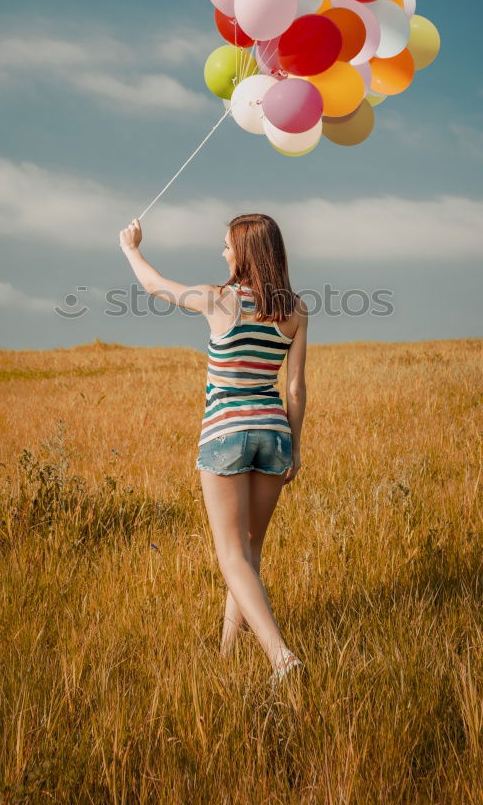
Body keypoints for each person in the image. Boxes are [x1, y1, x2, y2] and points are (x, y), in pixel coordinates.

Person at [119, 212, 308, 686]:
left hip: (225, 434)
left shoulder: (218, 299)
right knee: (249, 550)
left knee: (230, 554)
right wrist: (296, 448)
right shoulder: (296, 311)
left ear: (244, 252)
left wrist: (131, 249)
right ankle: (227, 652)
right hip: (274, 435)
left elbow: (155, 285)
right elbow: (297, 389)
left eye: (227, 245)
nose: (222, 252)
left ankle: (280, 657)